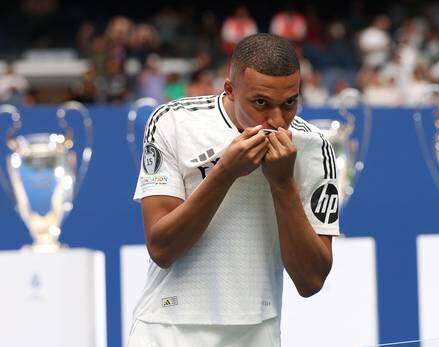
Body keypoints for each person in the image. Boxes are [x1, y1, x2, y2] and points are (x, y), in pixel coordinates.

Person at [129, 33, 339, 347]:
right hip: (166, 329)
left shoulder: (315, 146)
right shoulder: (172, 122)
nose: (277, 120)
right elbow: (162, 248)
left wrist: (282, 184)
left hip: (258, 331)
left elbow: (311, 281)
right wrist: (225, 172)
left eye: (290, 103)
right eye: (261, 103)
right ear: (230, 89)